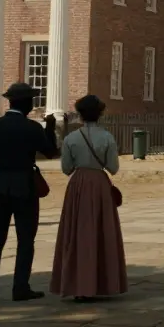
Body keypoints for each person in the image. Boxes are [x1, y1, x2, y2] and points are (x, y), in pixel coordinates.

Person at [0, 83, 59, 303]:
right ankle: (20, 287)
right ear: (27, 104)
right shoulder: (32, 128)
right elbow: (51, 153)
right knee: (25, 240)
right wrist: (50, 129)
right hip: (25, 185)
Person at [51, 95, 127, 302]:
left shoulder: (71, 138)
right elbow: (113, 168)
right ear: (100, 114)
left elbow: (66, 168)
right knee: (102, 231)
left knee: (77, 232)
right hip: (100, 184)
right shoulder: (107, 137)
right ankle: (100, 281)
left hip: (78, 184)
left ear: (80, 114)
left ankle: (77, 283)